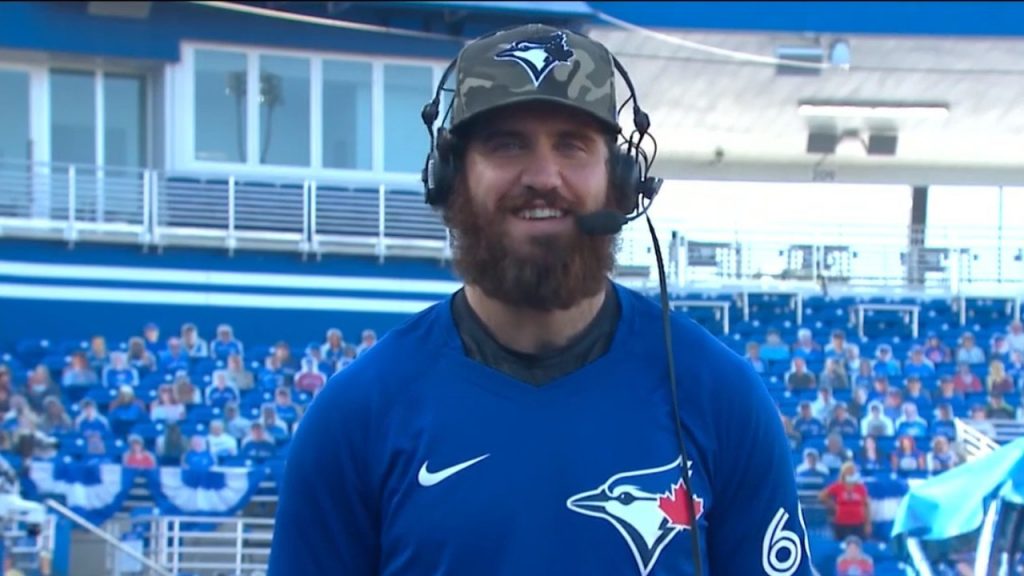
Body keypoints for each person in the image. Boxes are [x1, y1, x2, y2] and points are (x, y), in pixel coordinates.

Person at [270, 24, 813, 576]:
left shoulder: (719, 397)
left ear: (621, 179)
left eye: (572, 145)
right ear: (453, 176)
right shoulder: (358, 415)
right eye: (508, 144)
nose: (542, 176)